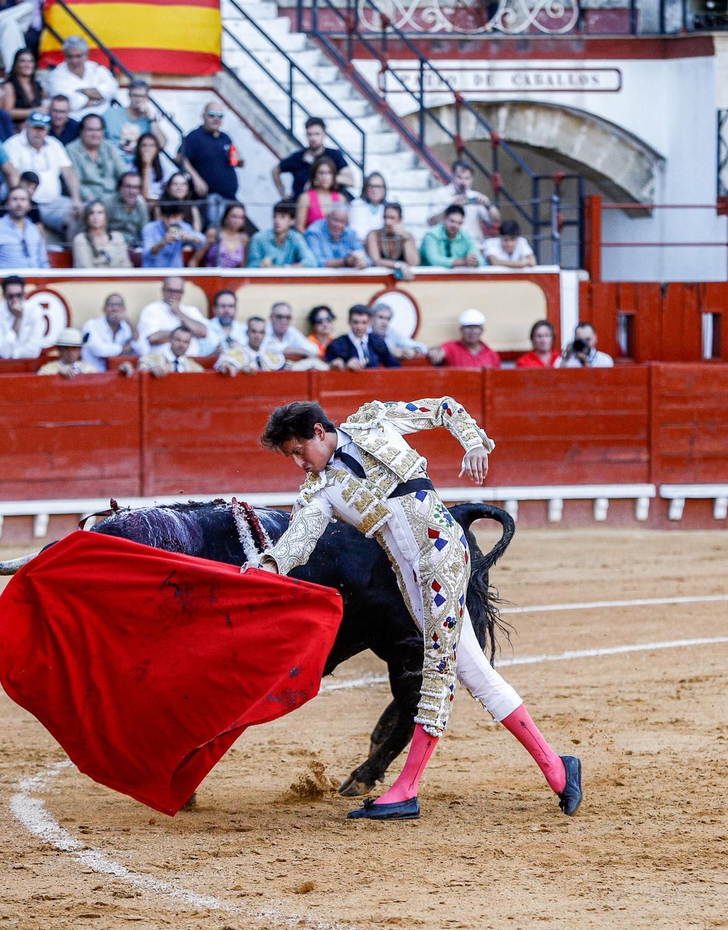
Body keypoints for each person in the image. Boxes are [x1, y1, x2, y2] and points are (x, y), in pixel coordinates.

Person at [244, 399, 580, 821]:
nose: (298, 464)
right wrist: (270, 565)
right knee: (473, 671)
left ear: (318, 431)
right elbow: (300, 537)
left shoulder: (373, 421)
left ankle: (406, 789)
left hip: (443, 553)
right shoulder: (320, 489)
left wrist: (473, 442)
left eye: (297, 451)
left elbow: (442, 407)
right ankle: (558, 769)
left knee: (438, 668)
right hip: (411, 577)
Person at [4, 110, 81, 236]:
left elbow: (69, 173)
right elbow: (11, 175)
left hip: (54, 202)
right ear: (27, 126)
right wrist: (25, 201)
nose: (39, 132)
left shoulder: (55, 144)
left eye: (43, 129)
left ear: (48, 130)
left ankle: (72, 254)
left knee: (80, 214)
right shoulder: (13, 144)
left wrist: (76, 199)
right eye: (35, 128)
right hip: (26, 203)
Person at [177, 99, 240, 230]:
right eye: (212, 115)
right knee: (214, 230)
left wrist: (240, 160)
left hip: (230, 195)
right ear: (204, 116)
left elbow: (235, 160)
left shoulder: (225, 137)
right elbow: (180, 157)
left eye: (220, 116)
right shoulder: (195, 136)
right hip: (210, 196)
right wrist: (196, 178)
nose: (216, 119)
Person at [272, 115, 351, 198]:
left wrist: (322, 179)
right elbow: (275, 170)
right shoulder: (298, 157)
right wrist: (283, 193)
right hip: (300, 206)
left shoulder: (334, 155)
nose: (313, 138)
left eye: (317, 134)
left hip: (326, 205)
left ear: (324, 134)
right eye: (309, 134)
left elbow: (349, 180)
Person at [134, 275, 208, 361]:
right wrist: (186, 334)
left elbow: (203, 332)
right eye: (170, 290)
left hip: (190, 363)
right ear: (163, 290)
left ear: (182, 293)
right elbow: (153, 338)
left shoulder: (191, 311)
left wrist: (179, 313)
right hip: (161, 363)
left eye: (177, 291)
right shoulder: (151, 310)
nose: (173, 294)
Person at [46, 36, 117, 121]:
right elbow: (71, 103)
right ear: (65, 57)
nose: (74, 61)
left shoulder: (96, 68)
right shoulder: (56, 75)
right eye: (70, 57)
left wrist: (82, 91)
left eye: (78, 56)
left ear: (86, 55)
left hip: (103, 119)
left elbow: (112, 89)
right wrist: (98, 98)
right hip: (75, 122)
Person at [426, 160, 497, 241]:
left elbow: (496, 220)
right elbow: (431, 222)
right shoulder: (439, 194)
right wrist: (452, 207)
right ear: (452, 176)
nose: (463, 182)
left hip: (473, 244)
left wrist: (488, 204)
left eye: (467, 178)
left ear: (472, 179)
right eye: (459, 177)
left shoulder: (476, 196)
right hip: (448, 243)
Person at [0, 275, 47, 358]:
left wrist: (13, 354)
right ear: (3, 296)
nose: (15, 300)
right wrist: (18, 319)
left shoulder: (35, 311)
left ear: (24, 295)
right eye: (10, 296)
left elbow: (33, 351)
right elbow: (3, 353)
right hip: (2, 366)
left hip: (28, 364)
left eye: (19, 295)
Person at [0, 187, 48, 268]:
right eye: (14, 199)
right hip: (5, 279)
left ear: (29, 205)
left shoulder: (34, 229)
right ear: (6, 204)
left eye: (23, 200)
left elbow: (43, 262)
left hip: (34, 278)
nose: (19, 204)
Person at [102, 79, 171, 154]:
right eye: (135, 95)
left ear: (147, 98)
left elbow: (162, 144)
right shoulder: (110, 114)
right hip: (111, 162)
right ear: (129, 95)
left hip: (137, 164)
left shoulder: (148, 121)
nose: (138, 99)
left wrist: (151, 120)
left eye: (142, 96)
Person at [323, 304, 397, 370]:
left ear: (370, 322)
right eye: (356, 322)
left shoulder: (378, 342)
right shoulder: (337, 345)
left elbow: (394, 366)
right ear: (349, 321)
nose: (360, 327)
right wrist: (344, 365)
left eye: (364, 322)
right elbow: (329, 366)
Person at [66, 113, 118, 203]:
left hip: (114, 196)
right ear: (81, 131)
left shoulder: (108, 147)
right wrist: (91, 198)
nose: (95, 134)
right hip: (88, 200)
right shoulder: (71, 150)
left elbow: (123, 173)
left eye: (98, 130)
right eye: (90, 130)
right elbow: (75, 182)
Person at [247, 201, 318, 267]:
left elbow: (311, 263)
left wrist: (284, 269)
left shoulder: (296, 237)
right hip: (263, 279)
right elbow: (251, 266)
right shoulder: (258, 238)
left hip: (288, 279)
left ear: (292, 221)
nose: (277, 221)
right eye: (275, 216)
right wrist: (261, 265)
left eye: (282, 217)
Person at [81, 292, 136, 372]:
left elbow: (143, 350)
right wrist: (124, 349)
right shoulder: (91, 325)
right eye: (111, 305)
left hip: (118, 377)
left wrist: (130, 322)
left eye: (119, 305)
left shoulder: (127, 327)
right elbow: (99, 350)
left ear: (124, 309)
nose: (115, 309)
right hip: (94, 376)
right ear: (104, 309)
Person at [141, 199, 205, 267]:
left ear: (181, 216)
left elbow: (202, 241)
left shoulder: (184, 227)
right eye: (167, 217)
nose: (171, 221)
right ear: (162, 216)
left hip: (175, 274)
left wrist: (191, 238)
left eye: (175, 217)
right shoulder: (149, 228)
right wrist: (163, 242)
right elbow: (147, 254)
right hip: (153, 273)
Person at [428, 308, 499, 368]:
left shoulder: (491, 355)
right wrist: (435, 351)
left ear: (482, 330)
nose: (472, 332)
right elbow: (439, 350)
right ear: (461, 329)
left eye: (476, 327)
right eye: (468, 327)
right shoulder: (451, 348)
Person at [215, 316, 286, 376]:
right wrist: (235, 368)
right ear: (247, 333)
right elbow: (224, 365)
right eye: (254, 331)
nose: (257, 336)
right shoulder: (237, 353)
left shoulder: (271, 355)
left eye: (261, 332)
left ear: (264, 334)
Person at [304, 206, 371, 269]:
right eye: (336, 220)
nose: (338, 225)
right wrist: (346, 262)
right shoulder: (314, 232)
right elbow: (316, 263)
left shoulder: (350, 233)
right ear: (327, 217)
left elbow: (367, 258)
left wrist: (363, 262)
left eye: (342, 222)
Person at [72, 198, 129, 268]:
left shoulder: (118, 237)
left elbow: (126, 266)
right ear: (87, 218)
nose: (95, 217)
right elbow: (85, 269)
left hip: (118, 278)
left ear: (106, 217)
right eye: (91, 213)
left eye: (100, 212)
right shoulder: (80, 240)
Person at [295, 153, 344, 230]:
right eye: (321, 173)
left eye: (329, 173)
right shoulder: (305, 198)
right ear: (315, 176)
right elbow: (299, 228)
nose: (325, 177)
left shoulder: (340, 198)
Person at [196, 200, 250, 269]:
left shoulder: (244, 238)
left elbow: (243, 267)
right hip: (211, 277)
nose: (237, 221)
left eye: (241, 217)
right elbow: (195, 260)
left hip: (233, 278)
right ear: (226, 216)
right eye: (234, 216)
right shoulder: (213, 233)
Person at [191, 288, 242, 356]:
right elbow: (198, 361)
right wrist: (213, 355)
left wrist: (242, 351)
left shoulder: (245, 330)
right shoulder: (205, 329)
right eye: (223, 306)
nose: (227, 311)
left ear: (236, 309)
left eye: (230, 306)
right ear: (215, 309)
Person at [137, 324, 203, 376]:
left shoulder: (193, 367)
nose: (181, 345)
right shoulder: (153, 359)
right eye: (178, 340)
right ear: (170, 339)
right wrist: (150, 370)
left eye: (185, 342)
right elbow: (142, 367)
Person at [106, 170, 148, 242]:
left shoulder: (141, 206)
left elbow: (145, 232)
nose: (132, 192)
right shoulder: (108, 203)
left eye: (136, 187)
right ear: (119, 188)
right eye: (128, 186)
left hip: (134, 246)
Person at [346, 170, 388, 242]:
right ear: (365, 188)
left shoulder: (389, 207)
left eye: (378, 186)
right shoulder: (356, 205)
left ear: (384, 189)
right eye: (371, 186)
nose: (374, 190)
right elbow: (357, 232)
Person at [131, 130, 167, 202]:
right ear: (139, 148)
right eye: (144, 145)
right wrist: (146, 166)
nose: (148, 149)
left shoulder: (164, 166)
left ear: (157, 149)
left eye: (151, 145)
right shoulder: (132, 168)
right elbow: (144, 196)